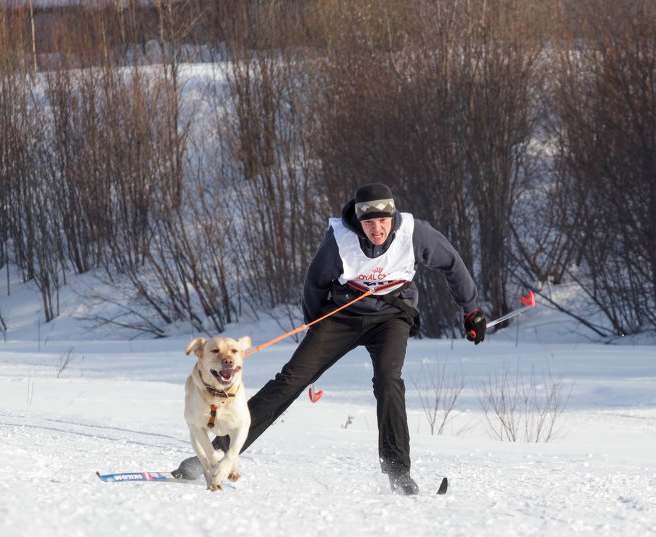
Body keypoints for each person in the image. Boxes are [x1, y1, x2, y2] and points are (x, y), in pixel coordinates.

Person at [173, 183, 488, 494]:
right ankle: (217, 453)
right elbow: (315, 284)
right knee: (291, 380)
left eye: (383, 221)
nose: (376, 228)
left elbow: (452, 265)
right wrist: (315, 326)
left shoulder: (416, 234)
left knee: (388, 380)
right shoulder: (339, 241)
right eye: (369, 222)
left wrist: (471, 311)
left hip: (391, 318)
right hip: (341, 317)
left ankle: (398, 471)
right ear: (358, 220)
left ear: (392, 217)